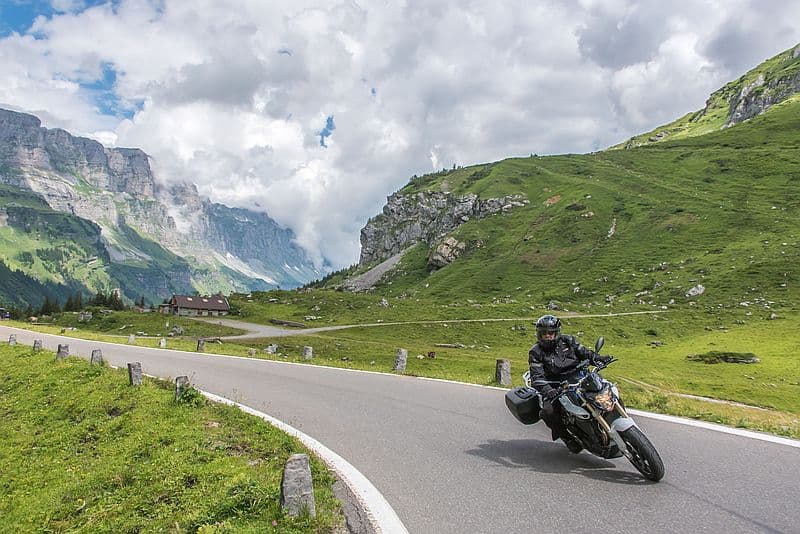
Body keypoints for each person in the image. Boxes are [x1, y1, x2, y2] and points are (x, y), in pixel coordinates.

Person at [528, 314, 611, 453]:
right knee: (548, 412)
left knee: (607, 389)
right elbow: (536, 376)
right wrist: (549, 390)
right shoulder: (536, 352)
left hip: (579, 377)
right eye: (544, 333)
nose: (547, 336)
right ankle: (566, 437)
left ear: (556, 333)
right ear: (539, 334)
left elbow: (585, 353)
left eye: (551, 333)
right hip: (556, 385)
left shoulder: (568, 340)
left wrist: (598, 358)